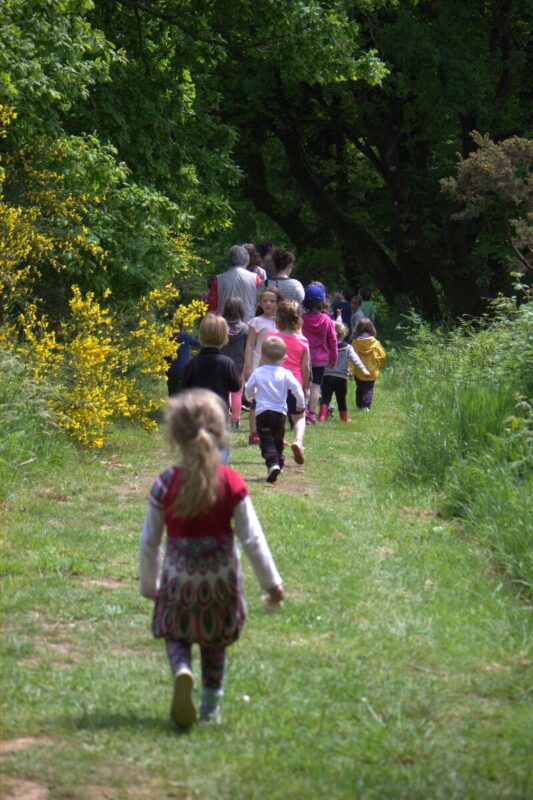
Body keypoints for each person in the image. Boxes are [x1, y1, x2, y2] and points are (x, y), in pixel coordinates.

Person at [139, 389, 285, 728]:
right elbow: (252, 538)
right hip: (220, 581)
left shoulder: (165, 483)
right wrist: (272, 584)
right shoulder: (231, 482)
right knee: (214, 641)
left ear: (175, 435)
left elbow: (150, 541)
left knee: (176, 633)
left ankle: (182, 670)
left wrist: (150, 584)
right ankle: (209, 708)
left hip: (179, 578)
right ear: (221, 434)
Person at [181, 315, 241, 464]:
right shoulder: (227, 363)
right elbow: (236, 386)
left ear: (201, 336)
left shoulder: (193, 363)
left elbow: (183, 388)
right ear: (224, 337)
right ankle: (217, 471)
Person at [245, 337, 305, 483]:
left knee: (266, 441)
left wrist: (251, 397)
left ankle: (272, 464)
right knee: (278, 440)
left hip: (263, 413)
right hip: (280, 414)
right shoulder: (286, 373)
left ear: (262, 356)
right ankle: (279, 462)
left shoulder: (259, 372)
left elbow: (248, 388)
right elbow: (297, 389)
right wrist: (300, 404)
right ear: (285, 357)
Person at [268, 300, 309, 464]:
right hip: (295, 383)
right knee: (299, 417)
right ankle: (298, 441)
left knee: (278, 417)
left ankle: (278, 446)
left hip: (275, 384)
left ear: (278, 319)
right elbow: (306, 368)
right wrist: (305, 386)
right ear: (297, 319)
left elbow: (264, 362)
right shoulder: (303, 341)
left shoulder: (272, 338)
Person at [243, 287, 281, 445]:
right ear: (260, 303)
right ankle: (254, 433)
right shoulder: (256, 322)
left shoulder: (281, 322)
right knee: (256, 399)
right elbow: (250, 345)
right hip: (258, 365)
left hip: (277, 366)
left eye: (272, 301)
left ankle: (274, 433)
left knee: (275, 398)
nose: (268, 303)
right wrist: (248, 367)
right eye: (265, 300)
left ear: (278, 303)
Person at [319, 320, 369, 423]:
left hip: (327, 376)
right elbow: (355, 359)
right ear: (344, 334)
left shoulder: (325, 346)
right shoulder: (347, 347)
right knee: (341, 398)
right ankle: (344, 417)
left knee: (325, 398)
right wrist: (363, 369)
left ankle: (322, 417)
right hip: (341, 378)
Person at [301, 283, 337, 424]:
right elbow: (333, 341)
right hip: (320, 359)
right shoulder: (326, 320)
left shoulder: (302, 319)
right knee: (316, 386)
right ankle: (312, 414)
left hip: (304, 357)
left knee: (305, 385)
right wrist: (333, 359)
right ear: (322, 301)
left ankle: (302, 411)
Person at [207, 245, 262, 322]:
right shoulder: (256, 279)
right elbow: (261, 303)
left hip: (223, 325)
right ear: (247, 260)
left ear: (230, 260)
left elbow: (212, 306)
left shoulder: (218, 279)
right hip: (249, 324)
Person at [221, 297, 248, 430]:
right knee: (237, 393)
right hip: (238, 365)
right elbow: (247, 348)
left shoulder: (220, 326)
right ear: (241, 310)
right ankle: (236, 422)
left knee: (224, 392)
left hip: (221, 364)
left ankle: (225, 419)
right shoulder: (245, 328)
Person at [351, 318, 386, 411]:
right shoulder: (375, 343)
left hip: (359, 370)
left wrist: (351, 370)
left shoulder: (355, 343)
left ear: (358, 329)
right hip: (372, 371)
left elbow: (351, 358)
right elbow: (382, 356)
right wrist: (379, 364)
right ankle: (366, 406)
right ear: (372, 328)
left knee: (359, 388)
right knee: (369, 388)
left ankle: (359, 405)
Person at [166, 331, 200, 395]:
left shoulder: (166, 337)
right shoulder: (185, 336)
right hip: (184, 369)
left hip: (171, 369)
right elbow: (197, 343)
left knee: (172, 392)